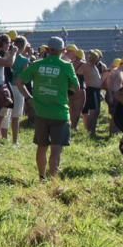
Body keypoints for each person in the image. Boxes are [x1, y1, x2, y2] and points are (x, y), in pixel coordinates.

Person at [16, 37, 79, 181]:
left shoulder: (37, 64)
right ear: (63, 51)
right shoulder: (67, 66)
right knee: (56, 150)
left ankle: (42, 177)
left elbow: (19, 82)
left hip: (41, 112)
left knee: (42, 146)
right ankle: (53, 180)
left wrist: (28, 98)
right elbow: (77, 87)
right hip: (60, 113)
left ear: (47, 50)